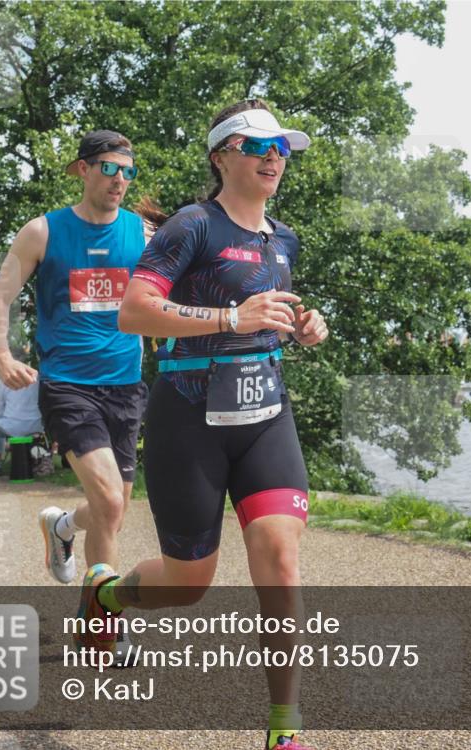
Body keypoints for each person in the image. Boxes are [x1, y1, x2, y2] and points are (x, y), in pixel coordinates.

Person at [77, 99, 327, 750]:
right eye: (258, 146)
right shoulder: (192, 227)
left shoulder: (283, 239)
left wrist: (304, 327)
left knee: (281, 559)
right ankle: (106, 595)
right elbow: (134, 312)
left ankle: (285, 729)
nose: (274, 157)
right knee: (188, 585)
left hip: (265, 415)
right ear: (222, 156)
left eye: (282, 148)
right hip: (189, 417)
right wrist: (231, 319)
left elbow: (268, 315)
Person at [0, 130, 149, 584]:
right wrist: (2, 356)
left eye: (128, 172)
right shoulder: (43, 231)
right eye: (109, 168)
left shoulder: (141, 233)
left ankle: (62, 527)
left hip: (126, 385)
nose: (119, 179)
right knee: (109, 501)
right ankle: (101, 616)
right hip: (68, 385)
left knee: (113, 509)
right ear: (83, 169)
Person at [0, 376, 43, 476]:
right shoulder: (37, 377)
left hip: (13, 427)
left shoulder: (5, 379)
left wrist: (1, 421)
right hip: (36, 426)